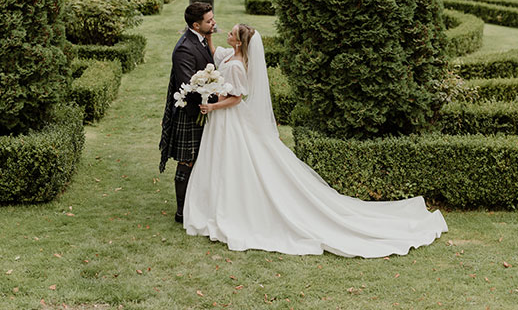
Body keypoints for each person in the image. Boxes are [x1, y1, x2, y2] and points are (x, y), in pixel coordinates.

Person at [182, 24, 448, 258]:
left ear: (239, 42)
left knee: (236, 161)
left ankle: (233, 209)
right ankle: (216, 204)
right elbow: (216, 54)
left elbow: (238, 98)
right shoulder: (230, 56)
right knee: (222, 160)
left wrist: (213, 107)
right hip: (224, 122)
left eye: (231, 33)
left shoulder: (238, 66)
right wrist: (208, 39)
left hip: (230, 117)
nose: (227, 33)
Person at [159, 1, 216, 223]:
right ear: (195, 24)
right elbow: (188, 85)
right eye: (209, 21)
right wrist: (217, 96)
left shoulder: (200, 41)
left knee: (200, 159)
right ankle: (181, 212)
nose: (213, 23)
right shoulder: (185, 47)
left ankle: (196, 204)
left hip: (202, 110)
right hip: (189, 112)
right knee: (187, 160)